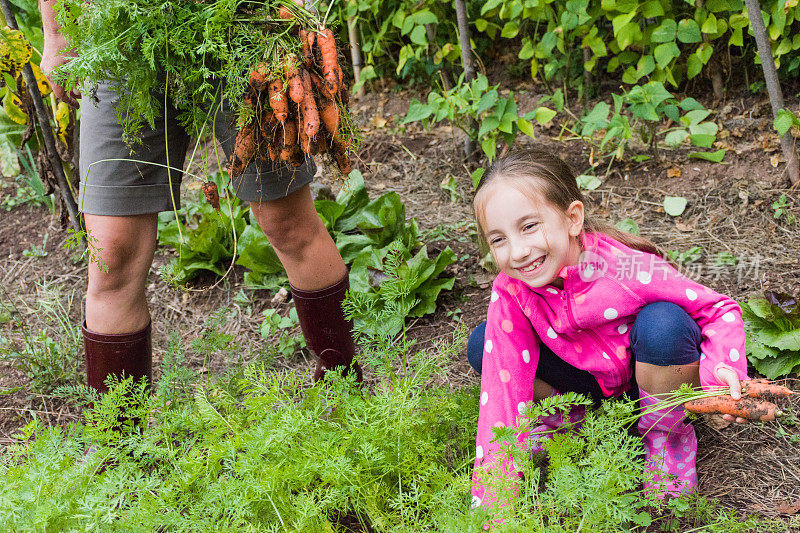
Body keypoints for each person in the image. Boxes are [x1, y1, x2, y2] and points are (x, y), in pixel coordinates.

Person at [39, 0, 361, 394]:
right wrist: (56, 32)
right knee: (111, 253)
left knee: (288, 221)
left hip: (241, 20)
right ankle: (119, 446)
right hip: (116, 30)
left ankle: (346, 390)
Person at [467, 148, 748, 510]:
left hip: (646, 381)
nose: (518, 251)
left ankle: (664, 438)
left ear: (572, 219)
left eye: (529, 226)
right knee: (484, 342)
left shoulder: (624, 268)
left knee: (664, 324)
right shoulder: (512, 290)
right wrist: (494, 497)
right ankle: (567, 422)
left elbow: (718, 308)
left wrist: (719, 373)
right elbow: (501, 392)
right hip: (583, 385)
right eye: (499, 239)